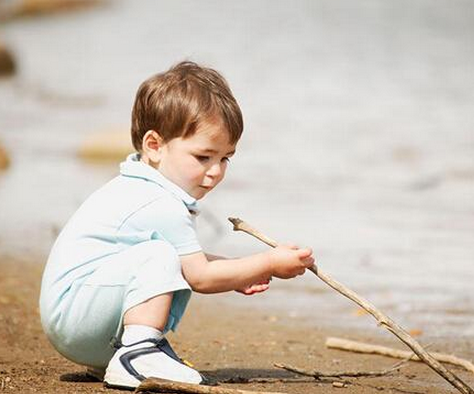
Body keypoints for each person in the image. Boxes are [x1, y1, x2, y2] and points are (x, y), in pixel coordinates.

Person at [39, 61, 315, 389]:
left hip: (79, 320)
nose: (216, 171)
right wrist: (268, 262)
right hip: (76, 319)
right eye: (203, 157)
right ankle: (137, 355)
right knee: (157, 254)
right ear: (154, 146)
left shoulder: (141, 186)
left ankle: (124, 355)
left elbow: (186, 260)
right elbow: (198, 275)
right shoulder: (158, 202)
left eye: (225, 158)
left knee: (160, 253)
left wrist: (241, 271)